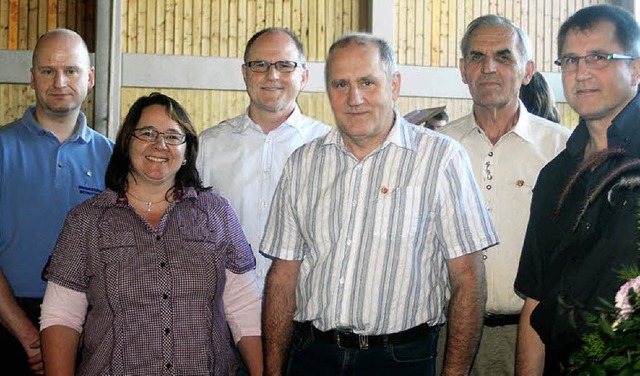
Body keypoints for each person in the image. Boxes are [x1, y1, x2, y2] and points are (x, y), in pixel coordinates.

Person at [261, 32, 499, 376]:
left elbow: (468, 276)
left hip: (401, 360)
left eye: (367, 82)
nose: (354, 97)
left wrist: (455, 373)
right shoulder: (303, 164)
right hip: (312, 355)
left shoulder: (441, 159)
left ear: (395, 85)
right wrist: (272, 370)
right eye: (340, 84)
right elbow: (283, 276)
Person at [39, 93, 262, 375]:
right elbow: (62, 317)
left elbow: (243, 306)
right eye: (147, 133)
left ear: (186, 152)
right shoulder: (87, 220)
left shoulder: (216, 213)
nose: (160, 144)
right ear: (126, 142)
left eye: (173, 136)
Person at [436, 15, 570, 375]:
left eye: (504, 57)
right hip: (448, 336)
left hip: (534, 336)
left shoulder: (563, 148)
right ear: (463, 70)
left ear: (528, 70)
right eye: (477, 57)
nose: (489, 68)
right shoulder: (436, 149)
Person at [514, 4, 640, 373]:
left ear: (634, 68)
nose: (581, 72)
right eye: (570, 60)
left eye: (598, 57)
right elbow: (537, 300)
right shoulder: (555, 177)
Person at [0, 28, 113, 375]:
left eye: (72, 70)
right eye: (48, 70)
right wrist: (26, 333)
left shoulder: (115, 157)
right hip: (9, 323)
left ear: (90, 78)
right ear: (31, 78)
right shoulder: (3, 148)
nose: (59, 81)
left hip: (91, 327)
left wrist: (77, 333)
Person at [197, 27, 330, 290]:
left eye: (285, 65)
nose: (272, 75)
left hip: (303, 316)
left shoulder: (329, 147)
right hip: (226, 315)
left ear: (303, 76)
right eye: (260, 65)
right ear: (245, 74)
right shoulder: (209, 145)